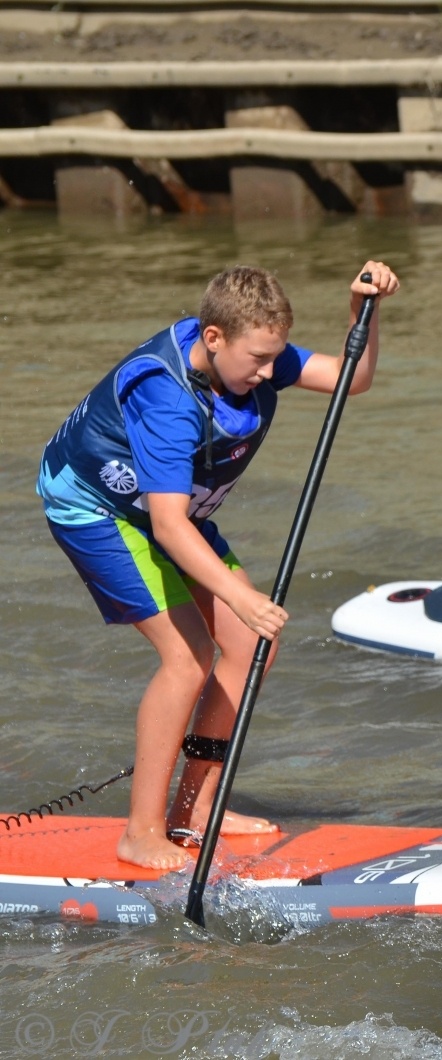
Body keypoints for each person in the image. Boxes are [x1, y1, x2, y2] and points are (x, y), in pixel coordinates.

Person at [38, 263, 400, 871]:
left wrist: (362, 309)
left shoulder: (249, 348)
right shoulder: (167, 401)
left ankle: (194, 810)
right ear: (214, 338)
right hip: (97, 508)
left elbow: (350, 380)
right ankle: (141, 832)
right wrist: (241, 596)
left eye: (276, 358)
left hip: (170, 509)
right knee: (187, 658)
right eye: (258, 360)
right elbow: (168, 528)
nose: (269, 373)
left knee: (253, 645)